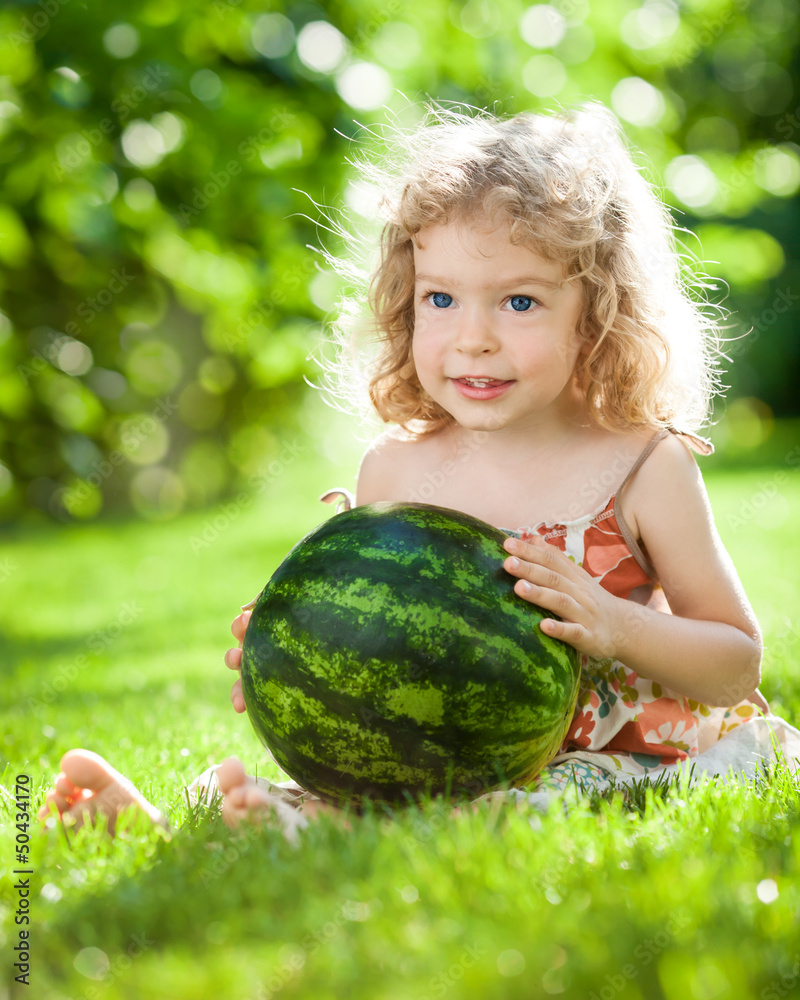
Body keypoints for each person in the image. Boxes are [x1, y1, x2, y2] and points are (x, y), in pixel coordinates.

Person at [39, 102, 797, 838]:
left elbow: (734, 663)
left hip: (610, 758)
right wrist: (293, 644)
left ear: (595, 313)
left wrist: (616, 625)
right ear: (406, 305)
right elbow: (370, 643)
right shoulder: (396, 471)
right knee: (338, 792)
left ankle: (312, 835)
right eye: (441, 298)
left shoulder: (640, 466)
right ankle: (182, 821)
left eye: (520, 302)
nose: (473, 339)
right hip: (444, 760)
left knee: (531, 808)